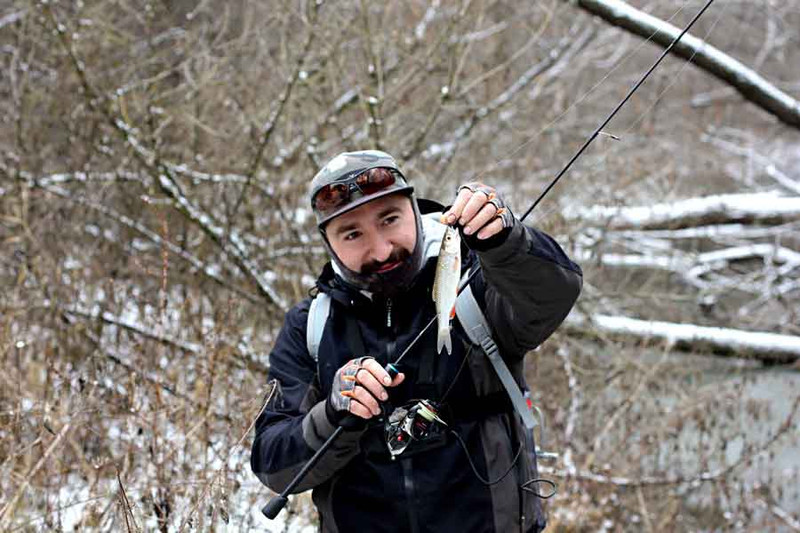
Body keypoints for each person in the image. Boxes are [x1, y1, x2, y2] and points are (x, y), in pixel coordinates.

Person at [251, 150, 582, 532]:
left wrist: (506, 240)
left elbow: (553, 295)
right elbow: (272, 464)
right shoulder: (309, 326)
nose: (381, 250)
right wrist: (334, 412)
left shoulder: (478, 279)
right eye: (352, 233)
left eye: (389, 219)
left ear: (414, 209)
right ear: (329, 243)